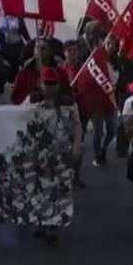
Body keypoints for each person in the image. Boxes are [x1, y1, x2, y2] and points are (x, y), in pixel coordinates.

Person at [32, 67, 82, 247]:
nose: (50, 87)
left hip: (61, 153)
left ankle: (53, 226)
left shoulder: (69, 102)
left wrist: (77, 146)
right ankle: (40, 222)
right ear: (41, 84)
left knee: (58, 189)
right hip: (38, 153)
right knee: (38, 189)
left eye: (53, 84)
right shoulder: (33, 100)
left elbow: (77, 125)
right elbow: (14, 115)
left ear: (59, 85)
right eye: (47, 84)